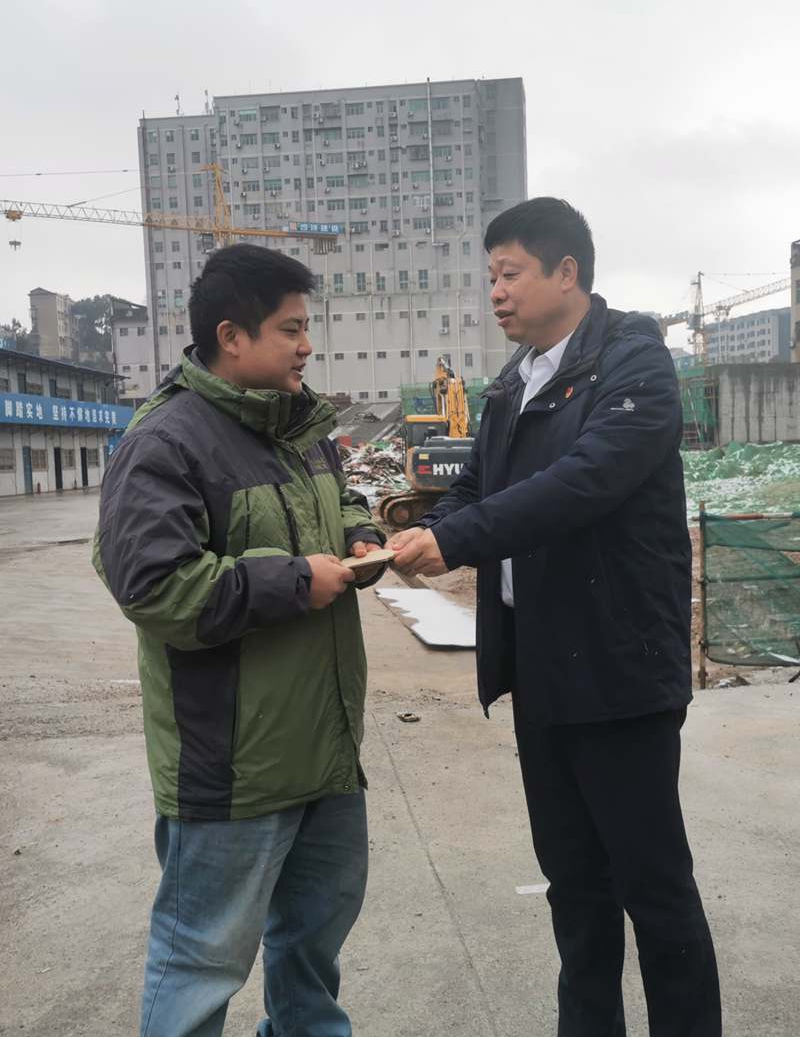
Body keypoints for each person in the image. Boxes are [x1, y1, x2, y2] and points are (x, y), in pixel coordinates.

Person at [390, 198, 721, 1036]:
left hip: (617, 668)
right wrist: (413, 533)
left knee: (654, 889)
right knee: (574, 888)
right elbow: (476, 487)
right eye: (491, 276)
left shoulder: (634, 366)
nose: (495, 292)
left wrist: (456, 537)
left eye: (510, 274)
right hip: (541, 671)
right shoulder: (513, 382)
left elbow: (580, 483)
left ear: (566, 272)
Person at [93, 243, 386, 1037]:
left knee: (313, 947)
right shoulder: (167, 442)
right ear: (231, 336)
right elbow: (156, 588)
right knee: (201, 960)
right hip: (231, 767)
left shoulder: (300, 425)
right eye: (290, 329)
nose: (307, 346)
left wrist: (358, 538)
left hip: (325, 750)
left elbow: (339, 500)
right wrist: (293, 581)